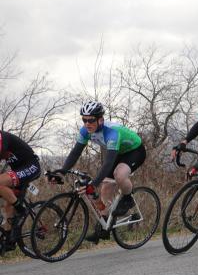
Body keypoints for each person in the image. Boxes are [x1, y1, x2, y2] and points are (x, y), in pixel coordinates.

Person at [50, 101, 146, 243]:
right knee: (105, 190)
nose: (87, 123)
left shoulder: (111, 132)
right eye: (84, 120)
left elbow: (107, 163)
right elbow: (75, 153)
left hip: (135, 151)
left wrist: (93, 184)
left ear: (100, 119)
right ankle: (105, 228)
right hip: (118, 152)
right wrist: (61, 172)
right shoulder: (85, 131)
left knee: (119, 175)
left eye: (91, 120)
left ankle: (128, 198)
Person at [0, 131, 41, 250]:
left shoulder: (2, 137)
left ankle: (21, 208)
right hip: (18, 171)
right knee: (8, 206)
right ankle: (9, 239)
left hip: (31, 167)